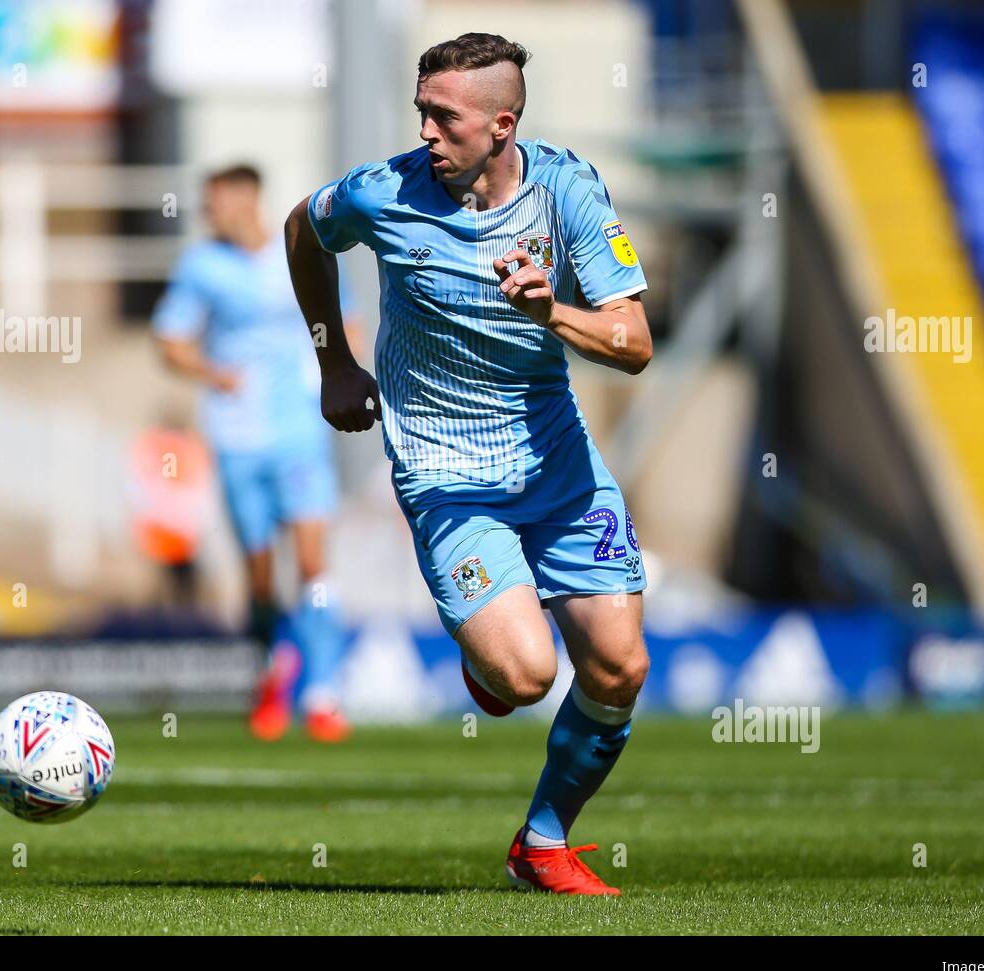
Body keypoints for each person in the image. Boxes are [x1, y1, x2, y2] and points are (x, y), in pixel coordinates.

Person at [284, 34, 652, 894]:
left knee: (619, 666)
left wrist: (549, 309)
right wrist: (332, 358)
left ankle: (544, 841)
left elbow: (632, 342)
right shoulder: (385, 192)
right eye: (421, 111)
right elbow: (304, 228)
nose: (427, 131)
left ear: (501, 125)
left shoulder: (567, 190)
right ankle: (493, 654)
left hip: (559, 469)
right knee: (527, 674)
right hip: (447, 475)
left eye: (443, 117)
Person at [154, 164, 356, 743]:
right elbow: (169, 339)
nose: (207, 213)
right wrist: (215, 374)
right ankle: (273, 669)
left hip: (300, 430)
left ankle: (323, 691)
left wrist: (345, 373)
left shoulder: (300, 249)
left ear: (247, 199)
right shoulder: (202, 266)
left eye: (215, 201)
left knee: (314, 564)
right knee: (261, 576)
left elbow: (349, 322)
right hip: (238, 437)